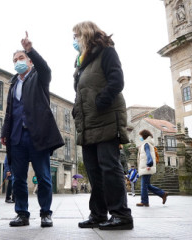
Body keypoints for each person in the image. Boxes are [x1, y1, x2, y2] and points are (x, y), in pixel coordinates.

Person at [72, 21, 133, 230]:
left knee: (109, 168)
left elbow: (117, 81)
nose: (74, 40)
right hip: (87, 123)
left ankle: (121, 215)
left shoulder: (106, 52)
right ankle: (98, 214)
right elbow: (81, 93)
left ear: (86, 34)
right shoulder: (81, 62)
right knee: (94, 172)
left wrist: (101, 102)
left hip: (106, 119)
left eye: (76, 35)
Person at [1, 32, 64, 228]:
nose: (18, 62)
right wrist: (5, 132)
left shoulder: (39, 76)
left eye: (21, 58)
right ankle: (22, 213)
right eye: (15, 60)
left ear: (29, 61)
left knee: (44, 177)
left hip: (37, 136)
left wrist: (30, 49)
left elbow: (45, 67)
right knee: (18, 178)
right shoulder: (12, 84)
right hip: (17, 137)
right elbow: (9, 111)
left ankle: (46, 213)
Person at [136, 130, 168, 207]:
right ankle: (162, 194)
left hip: (147, 167)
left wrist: (149, 164)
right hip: (147, 167)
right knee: (147, 185)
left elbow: (148, 155)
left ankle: (144, 202)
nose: (140, 138)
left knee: (144, 185)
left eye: (140, 136)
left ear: (144, 136)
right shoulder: (148, 144)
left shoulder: (146, 144)